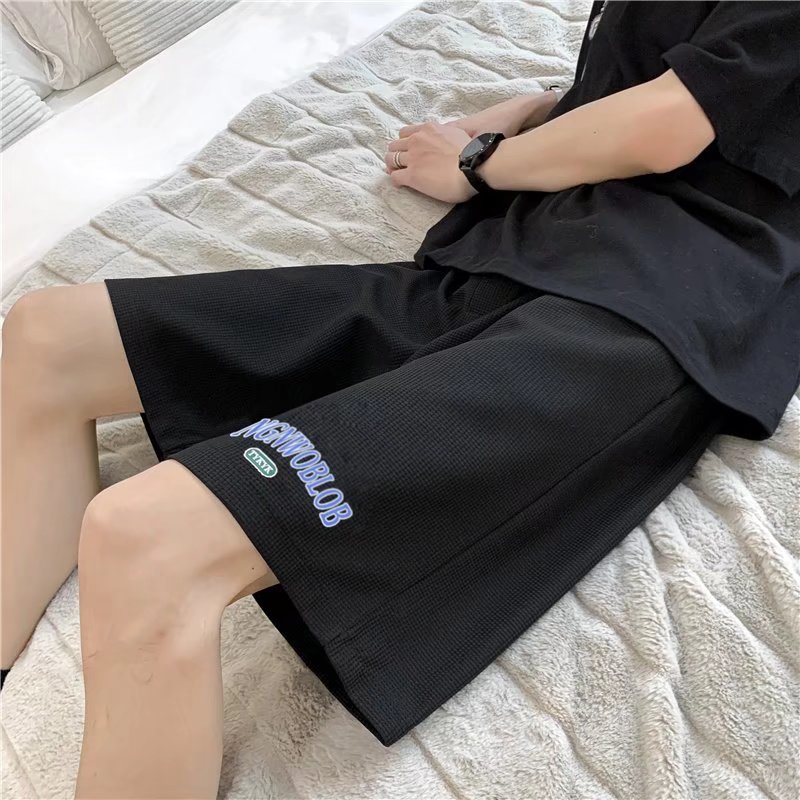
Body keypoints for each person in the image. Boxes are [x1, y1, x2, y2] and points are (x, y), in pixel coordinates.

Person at [1, 1, 798, 797]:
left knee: (145, 538)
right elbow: (695, 76)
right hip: (517, 252)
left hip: (652, 303)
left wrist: (479, 162)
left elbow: (671, 122)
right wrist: (540, 110)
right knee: (45, 335)